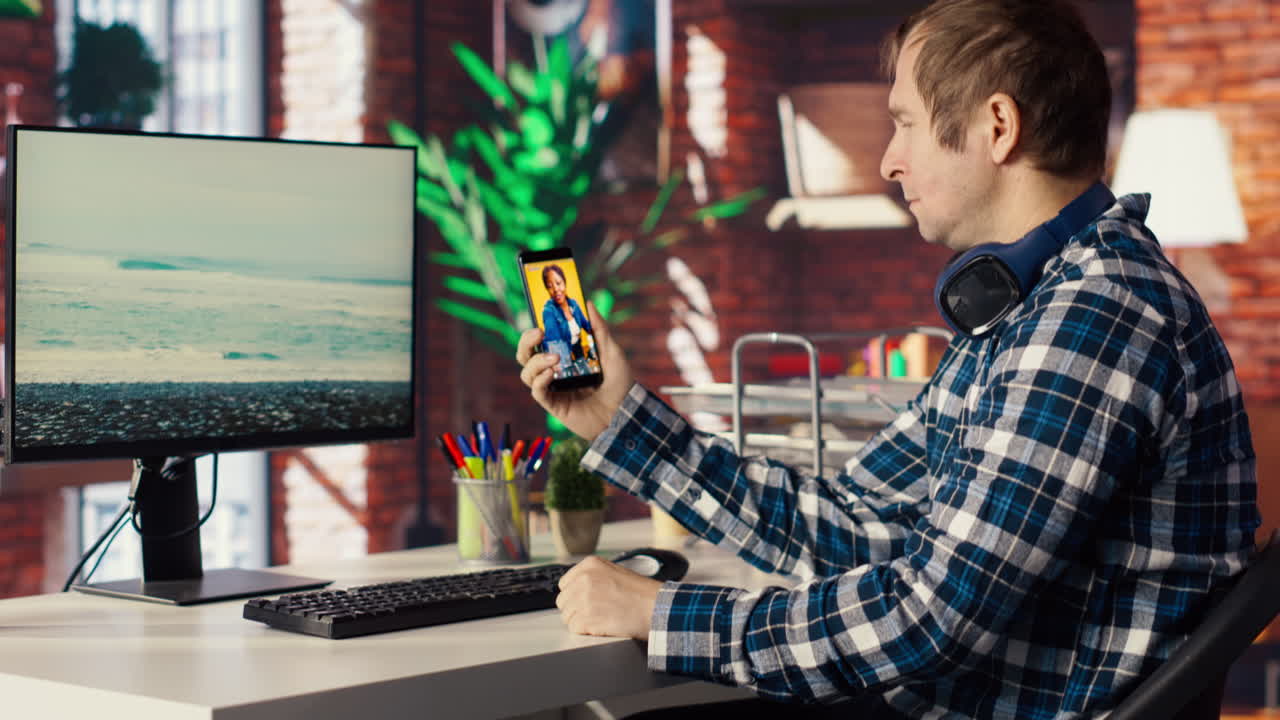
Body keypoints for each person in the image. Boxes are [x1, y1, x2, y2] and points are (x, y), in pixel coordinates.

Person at [516, 0, 1259, 717]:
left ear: (997, 127)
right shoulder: (1027, 310)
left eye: (904, 122)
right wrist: (620, 420)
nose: (888, 158)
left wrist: (666, 614)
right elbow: (858, 526)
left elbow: (927, 621)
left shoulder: (1095, 316)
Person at [541, 263, 595, 365]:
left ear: (564, 283)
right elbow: (553, 339)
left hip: (578, 347)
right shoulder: (548, 311)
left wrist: (596, 334)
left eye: (558, 283)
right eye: (549, 286)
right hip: (564, 355)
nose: (556, 289)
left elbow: (586, 325)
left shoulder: (573, 304)